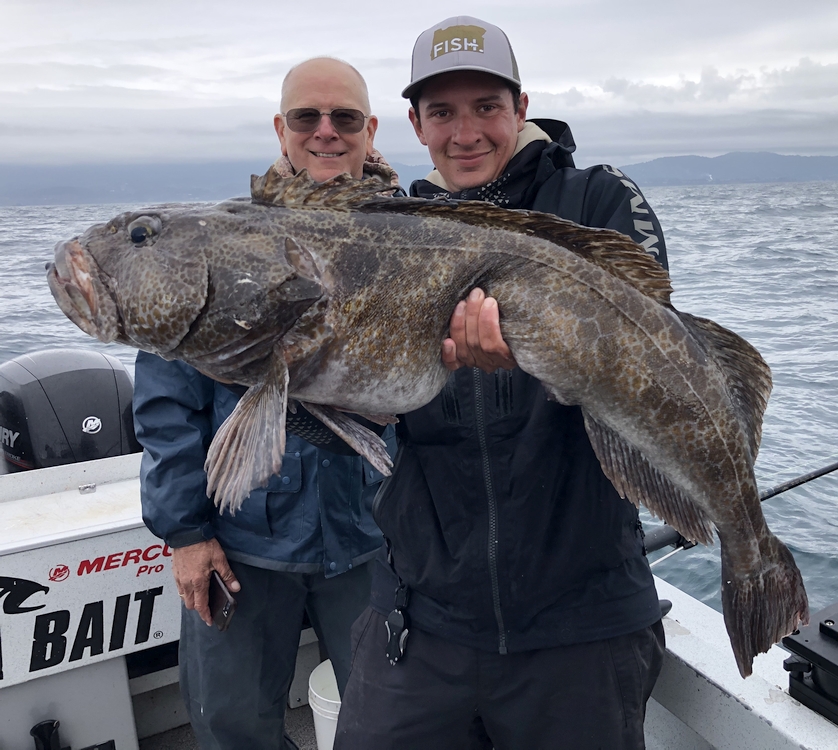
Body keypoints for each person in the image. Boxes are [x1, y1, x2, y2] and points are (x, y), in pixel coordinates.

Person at [335, 18, 669, 750]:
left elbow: (651, 354)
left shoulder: (597, 200)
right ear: (416, 124)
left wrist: (537, 355)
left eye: (486, 106)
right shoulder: (384, 232)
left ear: (521, 109)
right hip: (423, 622)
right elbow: (352, 415)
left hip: (583, 622)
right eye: (443, 112)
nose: (466, 132)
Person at [133, 57, 398, 750]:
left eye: (344, 118)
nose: (325, 132)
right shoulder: (217, 246)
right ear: (281, 129)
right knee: (230, 724)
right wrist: (187, 533)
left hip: (375, 539)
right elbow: (166, 408)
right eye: (307, 117)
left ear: (370, 131)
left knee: (398, 722)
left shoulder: (413, 236)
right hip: (243, 545)